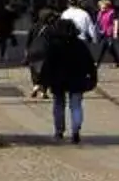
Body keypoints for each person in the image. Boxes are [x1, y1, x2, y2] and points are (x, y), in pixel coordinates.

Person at [32, 13, 97, 143]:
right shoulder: (80, 44)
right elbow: (90, 62)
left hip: (58, 79)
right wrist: (93, 77)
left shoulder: (53, 45)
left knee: (58, 104)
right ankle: (75, 130)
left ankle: (59, 131)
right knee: (76, 105)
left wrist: (41, 81)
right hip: (77, 79)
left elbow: (46, 63)